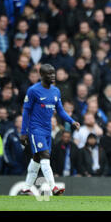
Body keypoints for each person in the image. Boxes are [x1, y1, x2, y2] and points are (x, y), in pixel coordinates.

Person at [18, 64, 80, 196]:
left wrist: (72, 121)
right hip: (36, 129)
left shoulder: (56, 91)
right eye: (49, 74)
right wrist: (23, 132)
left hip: (47, 130)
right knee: (45, 157)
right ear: (41, 75)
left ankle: (26, 188)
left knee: (36, 159)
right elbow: (26, 112)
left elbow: (61, 110)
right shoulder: (33, 90)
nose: (52, 76)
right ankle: (54, 187)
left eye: (53, 73)